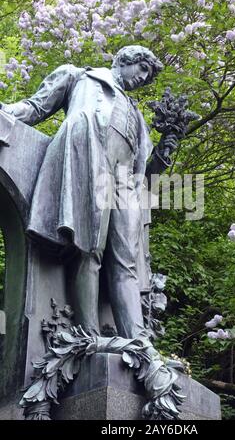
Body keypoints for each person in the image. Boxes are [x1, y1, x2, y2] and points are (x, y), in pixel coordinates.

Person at [0, 45, 178, 338]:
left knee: (126, 263)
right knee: (90, 250)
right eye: (142, 69)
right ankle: (89, 338)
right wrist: (6, 112)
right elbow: (35, 107)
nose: (143, 79)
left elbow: (147, 177)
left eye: (148, 77)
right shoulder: (78, 77)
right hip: (88, 162)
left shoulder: (137, 116)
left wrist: (165, 149)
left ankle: (138, 343)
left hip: (124, 184)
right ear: (124, 59)